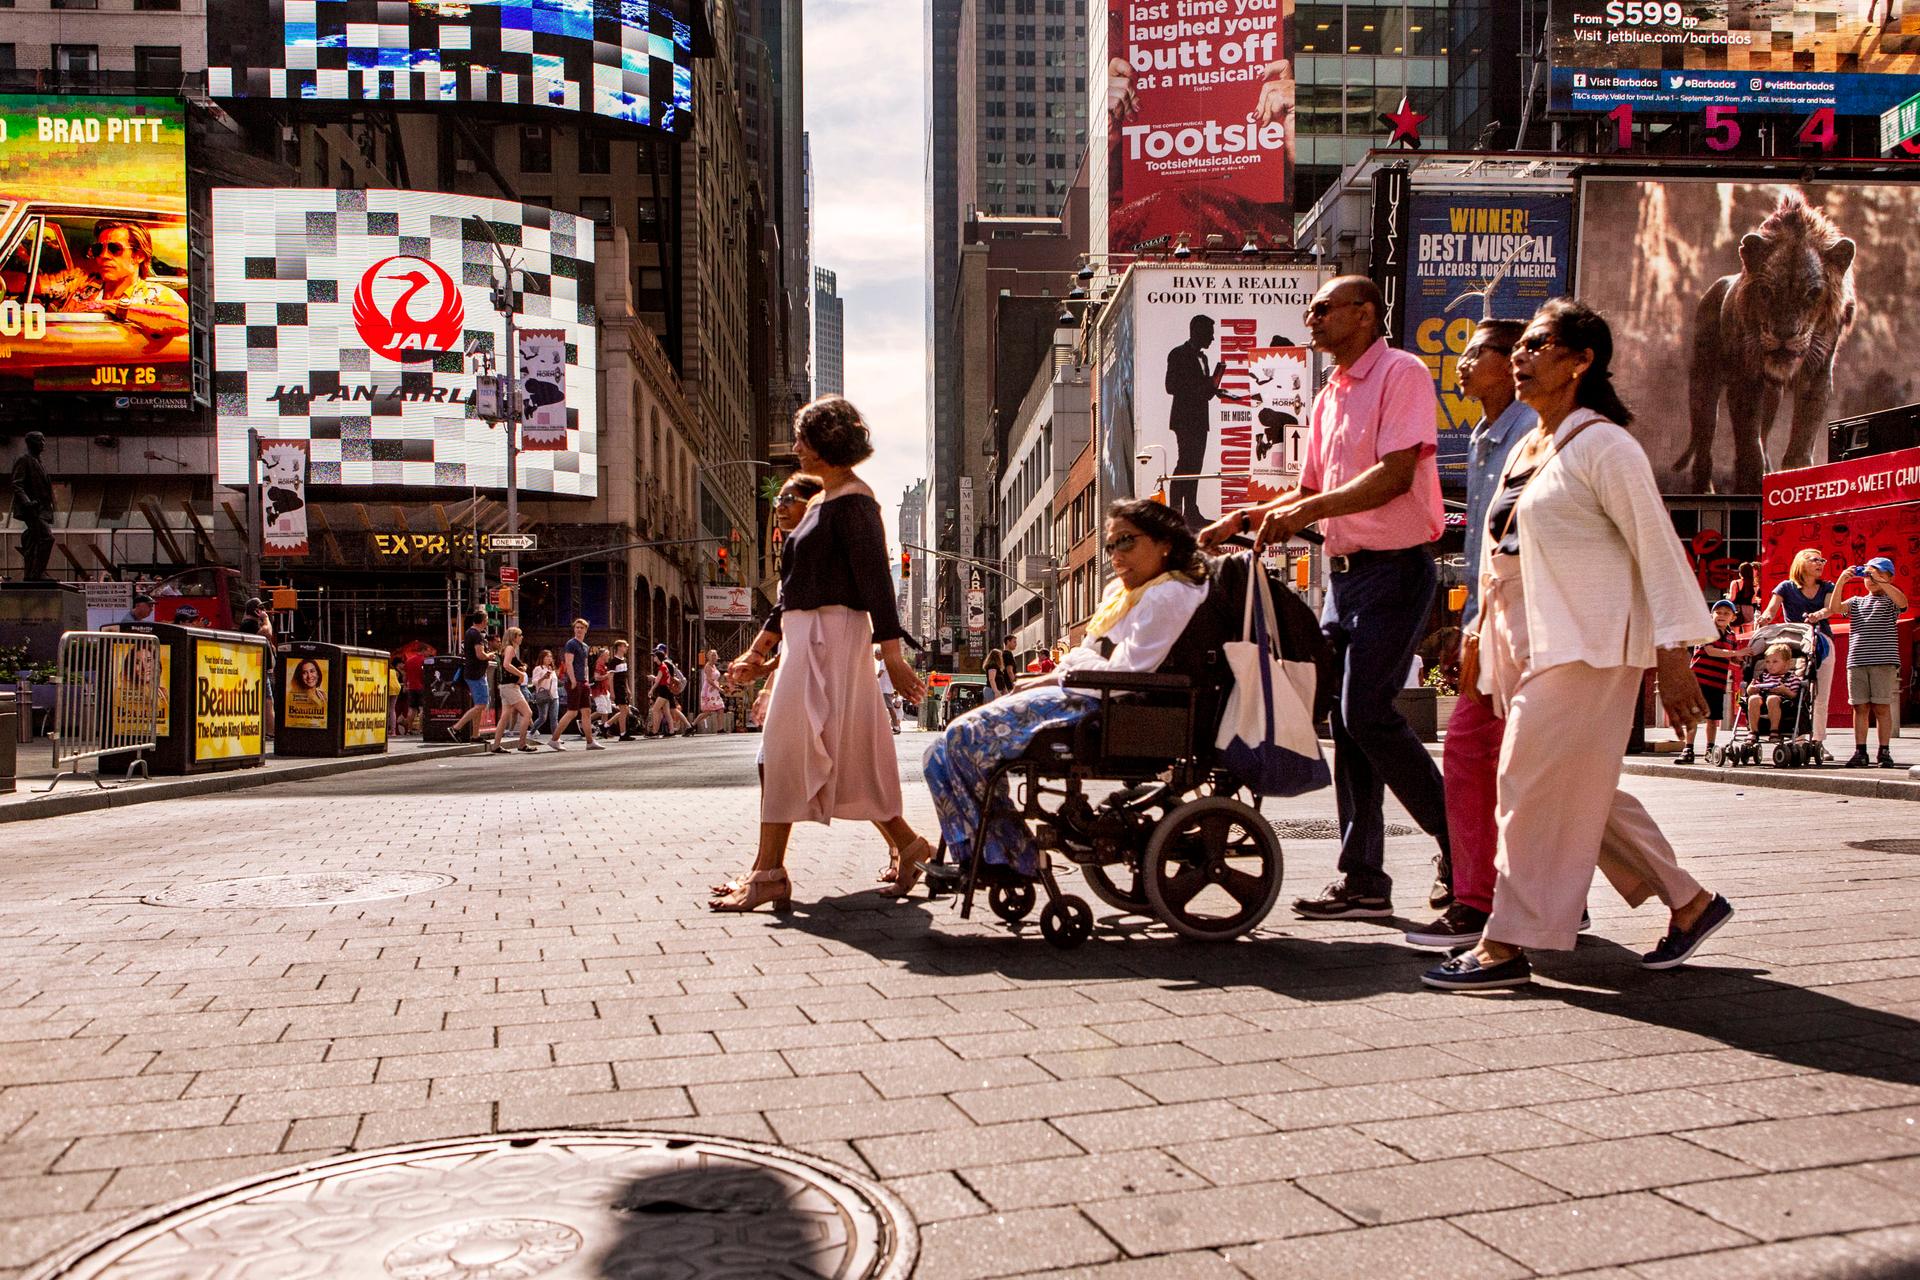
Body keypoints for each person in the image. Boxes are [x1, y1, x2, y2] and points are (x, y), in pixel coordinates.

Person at [1423, 298, 1733, 992]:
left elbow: (1658, 548)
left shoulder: (1605, 446)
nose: (1520, 358)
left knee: (1526, 784)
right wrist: (1477, 633)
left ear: (1581, 362)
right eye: (1520, 347)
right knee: (1574, 787)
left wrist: (1675, 656)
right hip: (1527, 643)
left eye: (1537, 346)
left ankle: (1507, 942)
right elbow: (1499, 552)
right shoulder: (1530, 446)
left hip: (1589, 645)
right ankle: (1691, 902)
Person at [1200, 275, 1450, 922]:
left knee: (1367, 714)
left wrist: (1307, 506)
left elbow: (1395, 475)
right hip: (1345, 578)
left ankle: (1462, 843)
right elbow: (1306, 488)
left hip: (1395, 571)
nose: (1310, 320)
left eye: (1322, 309)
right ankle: (1364, 878)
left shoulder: (1403, 373)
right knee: (1346, 723)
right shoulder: (1329, 396)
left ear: (1364, 314)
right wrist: (1242, 520)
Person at [714, 395, 931, 912]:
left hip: (835, 637)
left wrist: (894, 656)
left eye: (801, 438)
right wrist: (756, 654)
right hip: (806, 635)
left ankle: (768, 873)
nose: (794, 447)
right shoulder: (819, 505)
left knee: (787, 746)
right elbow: (793, 591)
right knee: (842, 752)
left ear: (823, 443)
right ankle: (910, 845)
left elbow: (878, 582)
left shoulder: (856, 502)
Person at [924, 499, 1210, 882]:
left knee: (962, 736)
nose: (1115, 555)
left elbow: (1128, 670)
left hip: (1103, 707)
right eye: (1111, 546)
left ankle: (1008, 856)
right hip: (1086, 695)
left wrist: (1057, 675)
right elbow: (1088, 654)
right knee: (936, 752)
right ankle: (976, 854)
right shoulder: (1123, 594)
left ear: (1165, 543)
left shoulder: (1170, 594)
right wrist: (1059, 673)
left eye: (1127, 541)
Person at [1403, 320, 1537, 947]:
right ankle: (1493, 892)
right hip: (1490, 621)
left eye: (1475, 352)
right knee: (1481, 759)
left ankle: (1485, 896)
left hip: (1528, 623)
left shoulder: (1532, 433)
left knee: (1502, 764)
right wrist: (1470, 625)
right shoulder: (1484, 434)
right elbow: (1482, 547)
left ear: (1512, 362)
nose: (1460, 363)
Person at [33, 220, 189, 343]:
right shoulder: (80, 282)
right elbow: (28, 285)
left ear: (138, 256)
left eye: (115, 249)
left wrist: (112, 307)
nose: (104, 255)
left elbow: (182, 319)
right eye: (98, 249)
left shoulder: (153, 294)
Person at [1757, 547, 1838, 761]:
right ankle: (1800, 738)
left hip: (1822, 641)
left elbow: (1830, 608)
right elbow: (1771, 609)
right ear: (1801, 563)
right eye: (1815, 560)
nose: (1820, 564)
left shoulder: (1827, 587)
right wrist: (1764, 618)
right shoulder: (1786, 587)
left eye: (1822, 560)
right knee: (1799, 690)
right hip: (1795, 644)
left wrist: (1818, 615)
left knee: (1821, 695)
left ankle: (1818, 742)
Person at [1835, 558, 1907, 768]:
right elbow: (1835, 607)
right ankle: (1860, 751)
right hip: (1857, 660)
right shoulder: (1857, 601)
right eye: (1868, 575)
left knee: (1882, 707)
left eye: (1879, 574)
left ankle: (1884, 751)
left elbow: (1902, 602)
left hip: (1883, 661)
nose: (1872, 579)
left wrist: (1882, 582)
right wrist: (1841, 580)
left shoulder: (1890, 600)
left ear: (1890, 577)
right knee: (1860, 707)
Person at [1165, 314, 1229, 529]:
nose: (1212, 339)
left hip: (1201, 419)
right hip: (1184, 419)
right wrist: (1203, 387)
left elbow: (1205, 392)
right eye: (1209, 334)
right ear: (1198, 332)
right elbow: (1171, 386)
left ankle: (1191, 510)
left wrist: (1214, 385)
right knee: (1185, 463)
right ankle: (1175, 511)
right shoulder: (1178, 354)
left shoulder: (1205, 358)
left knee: (1196, 465)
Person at [1677, 600, 1740, 764]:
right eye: (1718, 612)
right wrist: (1736, 652)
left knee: (1713, 719)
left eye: (1726, 613)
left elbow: (1731, 658)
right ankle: (1688, 749)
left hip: (1717, 682)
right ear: (1711, 614)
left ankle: (1710, 750)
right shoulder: (1706, 631)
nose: (1722, 615)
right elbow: (1711, 651)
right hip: (1699, 681)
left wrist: (1741, 658)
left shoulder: (1731, 635)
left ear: (1733, 617)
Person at [549, 618, 602, 750]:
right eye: (576, 627)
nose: (578, 630)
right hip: (574, 682)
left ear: (585, 630)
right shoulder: (571, 644)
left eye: (581, 628)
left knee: (587, 712)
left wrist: (586, 681)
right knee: (572, 712)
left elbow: (584, 665)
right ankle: (554, 739)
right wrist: (573, 680)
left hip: (583, 682)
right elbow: (568, 663)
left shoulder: (584, 646)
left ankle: (590, 742)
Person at [9, 432, 54, 582]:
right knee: (47, 538)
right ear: (31, 442)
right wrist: (27, 502)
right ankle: (38, 573)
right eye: (40, 440)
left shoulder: (39, 462)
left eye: (44, 440)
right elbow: (17, 484)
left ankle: (31, 574)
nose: (43, 443)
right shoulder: (24, 460)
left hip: (41, 509)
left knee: (32, 540)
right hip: (32, 509)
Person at [489, 626, 537, 754]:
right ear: (514, 637)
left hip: (505, 687)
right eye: (520, 635)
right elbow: (506, 665)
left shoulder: (505, 649)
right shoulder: (510, 648)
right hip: (510, 687)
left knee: (504, 716)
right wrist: (520, 674)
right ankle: (521, 743)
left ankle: (496, 745)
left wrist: (521, 668)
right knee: (527, 713)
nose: (522, 637)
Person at [449, 609, 493, 741]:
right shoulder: (476, 635)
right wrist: (489, 655)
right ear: (483, 620)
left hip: (472, 672)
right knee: (480, 705)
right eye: (486, 620)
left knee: (478, 705)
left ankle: (475, 734)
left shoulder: (470, 633)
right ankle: (456, 727)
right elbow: (480, 655)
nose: (487, 623)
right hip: (476, 674)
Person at [1744, 643, 1805, 737]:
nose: (1770, 665)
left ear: (1786, 663)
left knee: (1772, 699)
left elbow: (1795, 696)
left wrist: (1785, 691)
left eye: (1775, 662)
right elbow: (1749, 691)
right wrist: (1750, 689)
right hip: (1762, 703)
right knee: (1752, 699)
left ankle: (1774, 730)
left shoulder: (1792, 678)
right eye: (1767, 662)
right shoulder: (1762, 676)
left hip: (1783, 704)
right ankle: (1753, 731)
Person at [647, 644, 691, 737]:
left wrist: (654, 679)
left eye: (656, 653)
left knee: (667, 710)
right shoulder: (667, 662)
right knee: (669, 710)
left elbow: (666, 677)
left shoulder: (665, 663)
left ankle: (655, 731)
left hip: (666, 688)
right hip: (667, 688)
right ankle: (672, 730)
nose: (654, 655)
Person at [607, 640, 635, 741]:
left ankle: (607, 725)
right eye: (625, 646)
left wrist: (628, 689)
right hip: (617, 688)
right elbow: (611, 678)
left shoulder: (624, 660)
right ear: (619, 647)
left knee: (625, 710)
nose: (626, 648)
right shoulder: (613, 661)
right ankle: (623, 734)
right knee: (623, 711)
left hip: (623, 688)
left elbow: (625, 677)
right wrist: (612, 692)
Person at [528, 649, 559, 738]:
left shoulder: (551, 669)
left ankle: (555, 737)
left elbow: (555, 682)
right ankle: (531, 732)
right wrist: (543, 677)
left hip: (554, 695)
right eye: (547, 657)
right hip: (543, 695)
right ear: (542, 658)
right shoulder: (538, 668)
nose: (550, 659)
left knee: (554, 718)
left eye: (551, 657)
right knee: (543, 717)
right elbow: (534, 682)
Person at [697, 650, 727, 733]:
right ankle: (693, 724)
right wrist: (719, 688)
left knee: (720, 708)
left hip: (714, 690)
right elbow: (709, 680)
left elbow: (715, 678)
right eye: (712, 655)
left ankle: (720, 728)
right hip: (709, 690)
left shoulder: (714, 666)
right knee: (707, 711)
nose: (714, 657)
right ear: (708, 657)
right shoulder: (708, 666)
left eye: (715, 655)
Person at [874, 645, 902, 734]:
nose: (875, 657)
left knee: (890, 708)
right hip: (886, 689)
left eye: (875, 654)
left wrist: (871, 678)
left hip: (885, 689)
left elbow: (880, 674)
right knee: (883, 708)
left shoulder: (883, 661)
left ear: (879, 654)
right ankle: (887, 726)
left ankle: (896, 726)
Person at [1728, 561, 1763, 627]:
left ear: (1740, 572)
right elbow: (1753, 601)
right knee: (1748, 634)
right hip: (1749, 610)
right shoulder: (1755, 585)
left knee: (1735, 634)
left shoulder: (1735, 583)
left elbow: (1732, 598)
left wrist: (1727, 596)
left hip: (1737, 610)